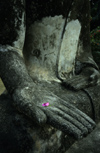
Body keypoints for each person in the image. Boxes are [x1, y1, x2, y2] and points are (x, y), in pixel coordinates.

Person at [0, 0, 100, 152]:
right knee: (16, 135)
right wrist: (24, 87)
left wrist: (89, 70)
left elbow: (83, 53)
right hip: (34, 83)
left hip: (74, 86)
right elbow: (7, 47)